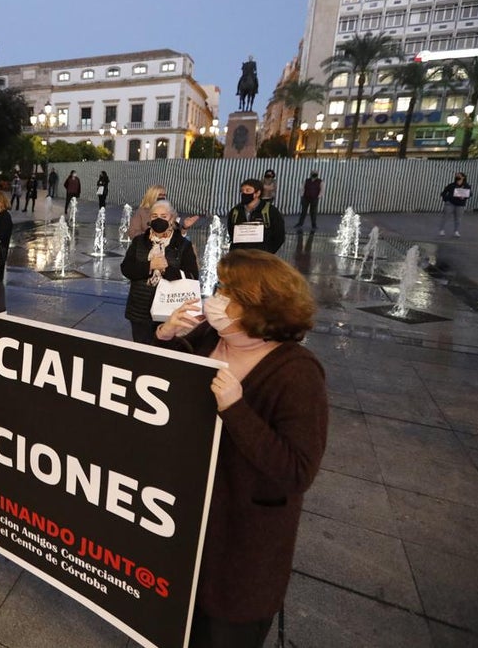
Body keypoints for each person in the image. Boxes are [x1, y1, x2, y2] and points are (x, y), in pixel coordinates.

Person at [154, 250, 327, 648]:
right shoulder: (209, 336)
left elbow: (297, 470)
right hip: (186, 521)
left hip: (241, 543)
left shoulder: (297, 373)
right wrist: (165, 335)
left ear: (257, 308)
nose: (216, 298)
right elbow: (158, 387)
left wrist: (236, 409)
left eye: (228, 292)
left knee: (223, 634)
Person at [121, 200, 199, 345]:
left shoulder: (183, 245)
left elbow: (192, 276)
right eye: (155, 216)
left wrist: (166, 270)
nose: (159, 220)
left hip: (169, 312)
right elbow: (126, 269)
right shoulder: (139, 241)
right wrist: (150, 266)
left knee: (165, 349)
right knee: (142, 349)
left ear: (172, 219)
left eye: (164, 216)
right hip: (139, 311)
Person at [227, 179, 285, 254]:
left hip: (261, 256)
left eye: (248, 190)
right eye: (242, 191)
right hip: (239, 256)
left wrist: (267, 253)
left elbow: (279, 236)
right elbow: (231, 232)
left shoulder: (270, 211)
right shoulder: (235, 211)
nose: (244, 193)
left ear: (257, 193)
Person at [439, 172, 471, 237]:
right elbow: (444, 192)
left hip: (460, 205)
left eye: (459, 175)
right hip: (450, 203)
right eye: (456, 175)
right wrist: (446, 200)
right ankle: (441, 230)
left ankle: (456, 231)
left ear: (463, 177)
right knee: (445, 217)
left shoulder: (466, 186)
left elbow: (470, 194)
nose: (457, 176)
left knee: (458, 219)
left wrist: (464, 197)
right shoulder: (451, 185)